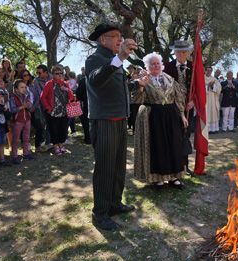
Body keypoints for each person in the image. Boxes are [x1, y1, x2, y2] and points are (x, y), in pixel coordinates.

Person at [85, 23, 138, 231]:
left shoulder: (116, 61)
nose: (120, 39)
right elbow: (96, 80)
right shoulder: (94, 59)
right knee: (105, 168)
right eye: (115, 36)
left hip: (120, 120)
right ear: (102, 40)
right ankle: (100, 213)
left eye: (120, 36)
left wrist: (136, 84)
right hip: (104, 121)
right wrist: (120, 58)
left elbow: (120, 88)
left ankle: (115, 203)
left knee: (118, 167)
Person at [131, 52, 188, 191]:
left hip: (170, 116)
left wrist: (182, 115)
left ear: (161, 65)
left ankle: (174, 177)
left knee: (173, 145)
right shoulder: (144, 79)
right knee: (158, 147)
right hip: (152, 116)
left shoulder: (169, 79)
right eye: (152, 64)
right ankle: (158, 180)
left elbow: (178, 98)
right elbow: (137, 99)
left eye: (158, 63)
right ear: (148, 66)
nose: (156, 66)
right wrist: (141, 85)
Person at [163, 40, 196, 177]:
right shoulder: (167, 67)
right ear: (174, 52)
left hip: (189, 108)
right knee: (172, 137)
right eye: (178, 52)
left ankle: (185, 167)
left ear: (187, 52)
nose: (181, 54)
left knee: (185, 136)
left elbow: (198, 88)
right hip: (172, 108)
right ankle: (173, 166)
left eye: (184, 52)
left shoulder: (193, 67)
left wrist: (194, 101)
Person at [41, 65, 74, 155]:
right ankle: (55, 148)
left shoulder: (65, 83)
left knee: (63, 129)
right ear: (52, 75)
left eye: (61, 73)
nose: (60, 75)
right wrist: (47, 107)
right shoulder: (49, 84)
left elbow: (71, 97)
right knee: (54, 130)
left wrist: (67, 89)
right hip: (52, 112)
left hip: (64, 111)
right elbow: (42, 97)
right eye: (57, 73)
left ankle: (61, 146)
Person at [10, 79, 36, 163]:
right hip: (18, 121)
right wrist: (23, 106)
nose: (24, 89)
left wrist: (29, 107)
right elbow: (12, 110)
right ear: (16, 89)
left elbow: (29, 108)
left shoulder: (26, 96)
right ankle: (14, 156)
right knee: (15, 139)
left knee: (26, 138)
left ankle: (26, 154)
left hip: (27, 119)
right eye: (21, 87)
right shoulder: (13, 97)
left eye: (25, 87)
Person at [33, 64, 52, 151]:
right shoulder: (36, 80)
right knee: (48, 121)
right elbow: (41, 93)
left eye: (39, 73)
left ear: (45, 72)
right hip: (44, 103)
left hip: (53, 102)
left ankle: (54, 140)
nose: (38, 74)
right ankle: (48, 141)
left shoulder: (52, 77)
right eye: (37, 72)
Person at [75, 72, 91, 144]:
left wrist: (80, 98)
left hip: (87, 104)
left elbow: (78, 93)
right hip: (95, 104)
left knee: (86, 122)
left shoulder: (84, 80)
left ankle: (88, 138)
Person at [205, 66, 221, 134]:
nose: (209, 72)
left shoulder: (214, 79)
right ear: (205, 71)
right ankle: (206, 129)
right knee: (206, 113)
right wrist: (208, 86)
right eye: (207, 70)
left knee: (213, 112)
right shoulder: (201, 78)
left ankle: (213, 129)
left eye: (210, 70)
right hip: (205, 99)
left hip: (213, 99)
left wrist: (212, 86)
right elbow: (199, 88)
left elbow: (219, 88)